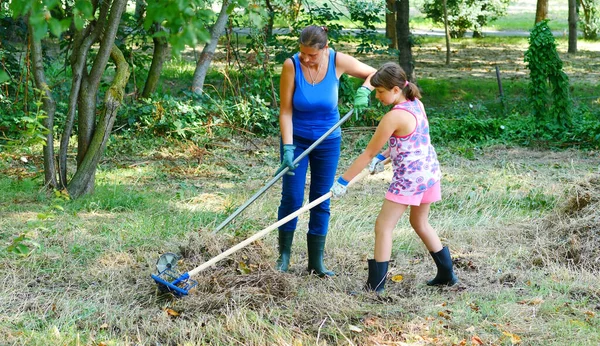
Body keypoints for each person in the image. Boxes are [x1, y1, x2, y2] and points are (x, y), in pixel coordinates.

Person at [330, 62, 458, 292]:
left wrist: (343, 181)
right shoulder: (416, 104)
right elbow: (412, 140)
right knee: (419, 222)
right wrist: (385, 156)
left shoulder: (393, 117)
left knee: (383, 226)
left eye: (380, 92)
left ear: (396, 90)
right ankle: (447, 273)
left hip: (410, 179)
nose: (377, 96)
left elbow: (367, 153)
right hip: (429, 173)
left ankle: (376, 285)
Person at [274, 25, 377, 277]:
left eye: (312, 55)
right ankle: (284, 256)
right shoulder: (291, 65)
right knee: (292, 197)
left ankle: (315, 262)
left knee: (321, 197)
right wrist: (287, 146)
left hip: (328, 140)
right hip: (296, 140)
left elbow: (375, 73)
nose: (306, 59)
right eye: (303, 53)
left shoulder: (337, 61)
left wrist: (365, 89)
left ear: (325, 49)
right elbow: (286, 110)